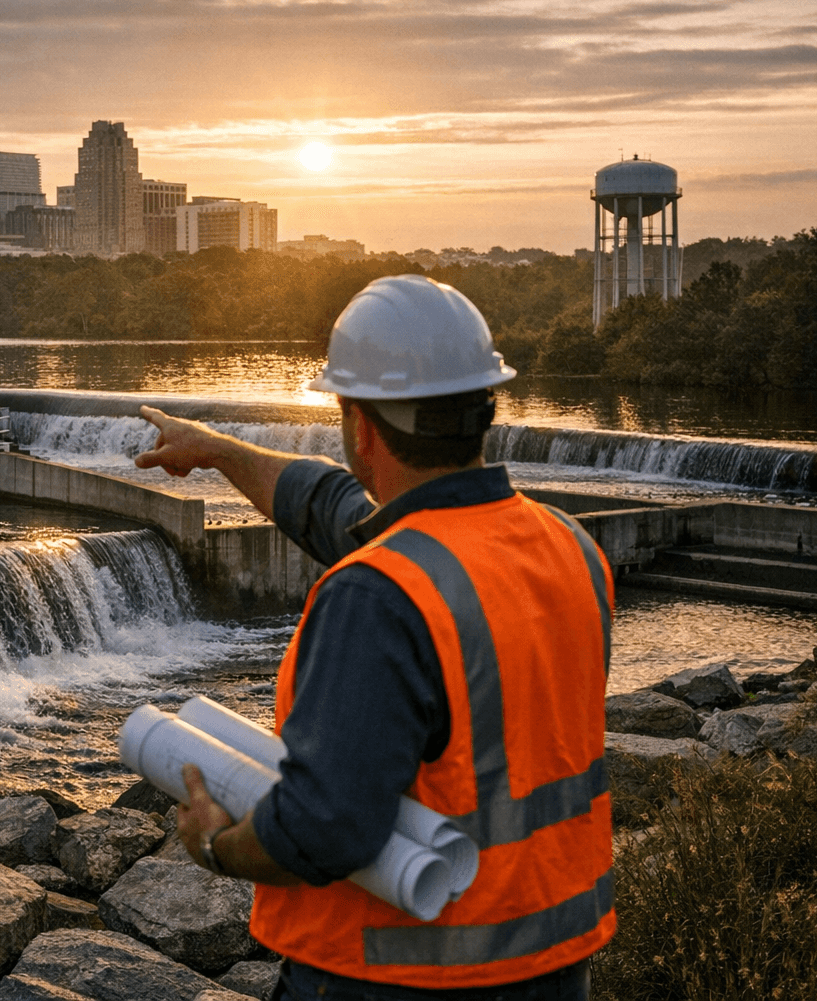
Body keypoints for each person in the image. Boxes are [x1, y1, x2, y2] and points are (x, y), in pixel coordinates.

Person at [135, 275, 614, 1000]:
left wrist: (216, 844)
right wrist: (218, 451)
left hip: (400, 974)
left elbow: (323, 831)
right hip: (553, 960)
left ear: (360, 426)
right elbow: (333, 505)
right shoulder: (567, 547)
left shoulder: (378, 595)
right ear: (484, 406)